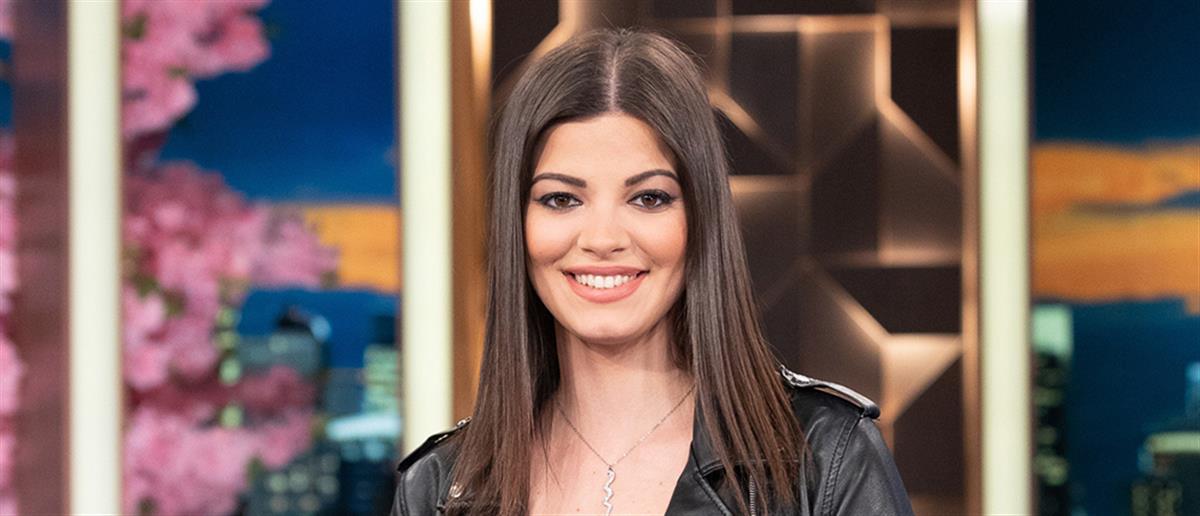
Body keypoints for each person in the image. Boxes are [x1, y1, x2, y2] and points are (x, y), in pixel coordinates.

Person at [391, 29, 914, 516]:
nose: (602, 239)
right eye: (561, 199)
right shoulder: (439, 489)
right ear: (517, 224)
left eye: (648, 198)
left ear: (699, 218)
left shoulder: (823, 457)